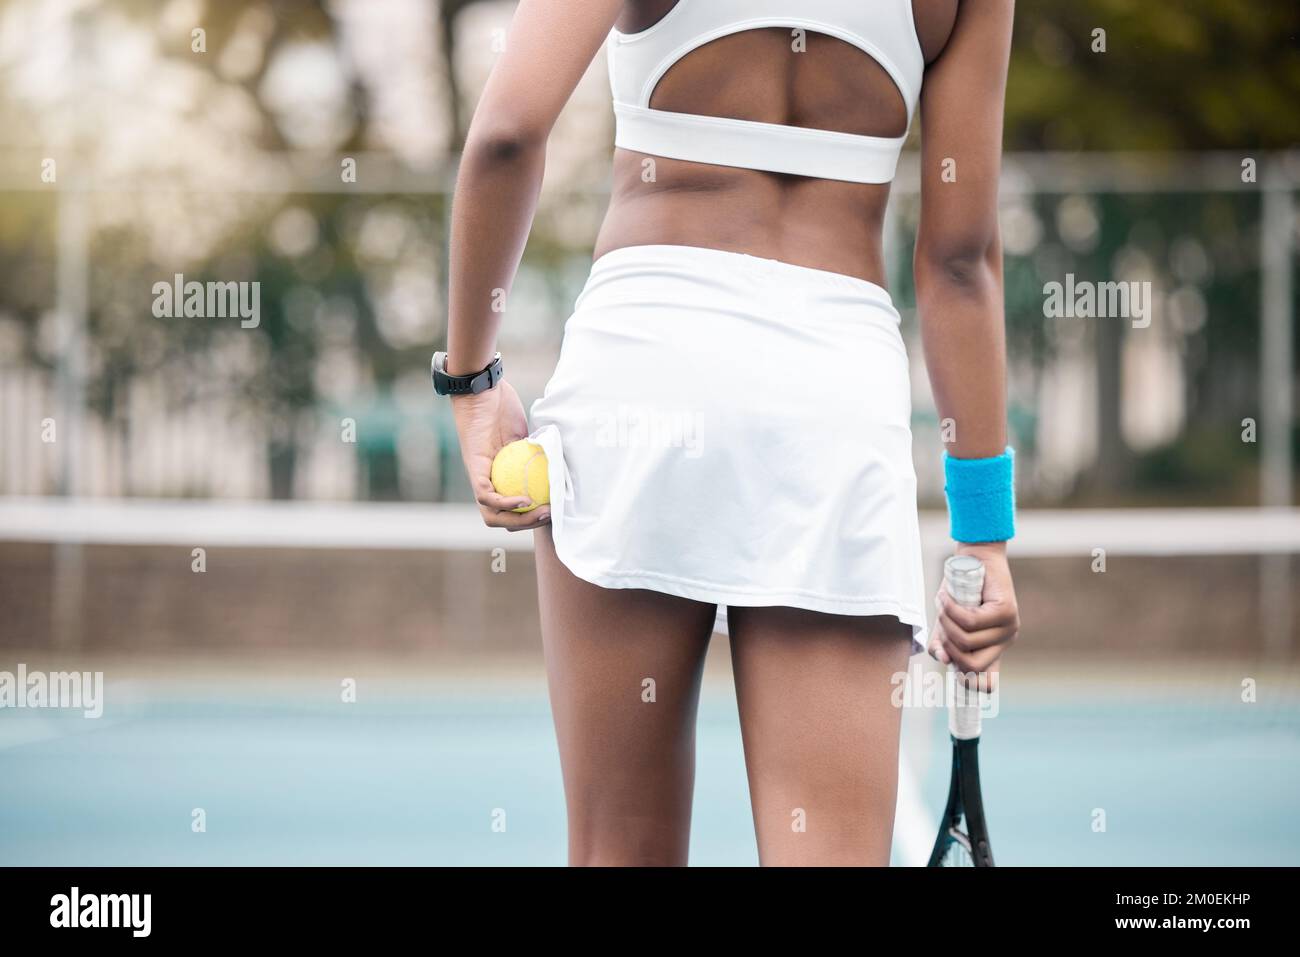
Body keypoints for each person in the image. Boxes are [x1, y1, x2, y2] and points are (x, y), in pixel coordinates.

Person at [435, 0, 1020, 866]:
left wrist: (472, 379)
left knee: (617, 849)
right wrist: (985, 534)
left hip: (640, 374)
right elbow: (960, 260)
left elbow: (506, 135)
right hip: (832, 406)